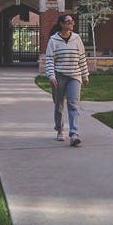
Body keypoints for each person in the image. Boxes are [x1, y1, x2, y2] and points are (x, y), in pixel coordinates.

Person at [44, 12, 90, 146]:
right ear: (62, 24)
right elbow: (49, 60)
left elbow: (82, 58)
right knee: (59, 105)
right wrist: (51, 76)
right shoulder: (53, 40)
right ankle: (59, 130)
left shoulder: (77, 39)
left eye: (72, 22)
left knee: (73, 105)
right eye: (69, 22)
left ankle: (74, 134)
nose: (72, 24)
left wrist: (85, 75)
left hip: (74, 76)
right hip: (59, 76)